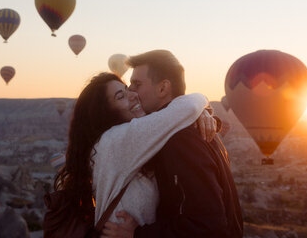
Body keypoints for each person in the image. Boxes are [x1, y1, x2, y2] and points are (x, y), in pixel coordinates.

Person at [51, 72, 216, 236]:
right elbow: (189, 107)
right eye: (120, 96)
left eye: (127, 89)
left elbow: (179, 116)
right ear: (105, 112)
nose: (132, 96)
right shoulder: (116, 140)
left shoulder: (127, 143)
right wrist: (202, 104)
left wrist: (197, 115)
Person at [102, 50, 243, 238]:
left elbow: (207, 223)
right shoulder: (184, 128)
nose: (130, 92)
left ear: (163, 88)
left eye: (137, 84)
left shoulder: (180, 138)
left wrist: (138, 234)